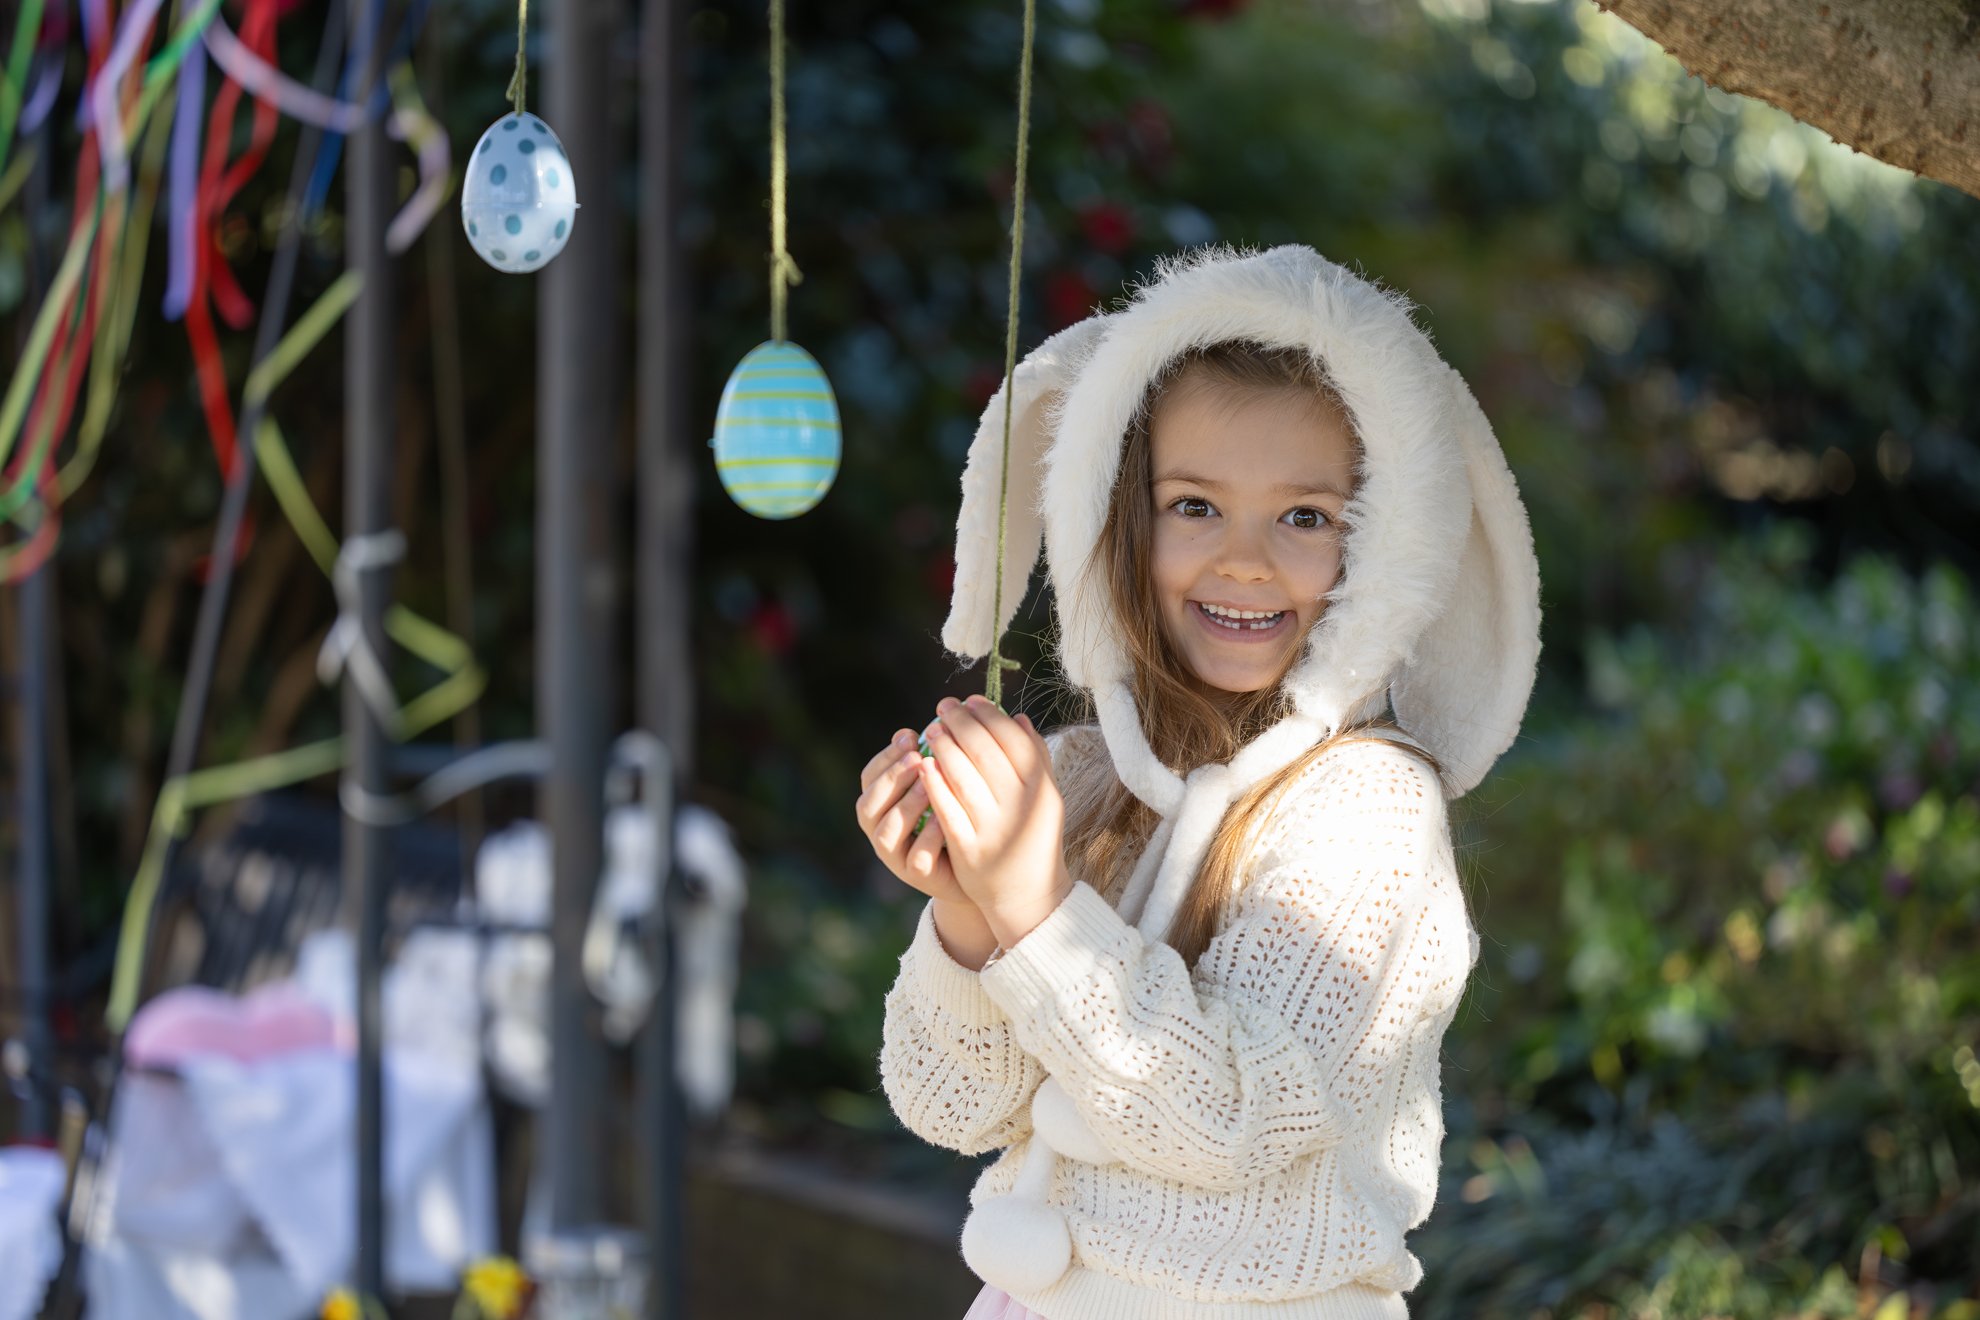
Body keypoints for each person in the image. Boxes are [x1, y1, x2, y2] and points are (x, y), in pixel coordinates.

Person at [854, 244, 1542, 1319]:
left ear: (1384, 546)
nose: (1246, 559)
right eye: (1193, 506)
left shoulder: (1368, 809)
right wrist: (968, 910)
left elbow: (1232, 1118)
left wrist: (1036, 908)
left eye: (1306, 516)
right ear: (1118, 517)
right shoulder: (1084, 779)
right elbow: (949, 1103)